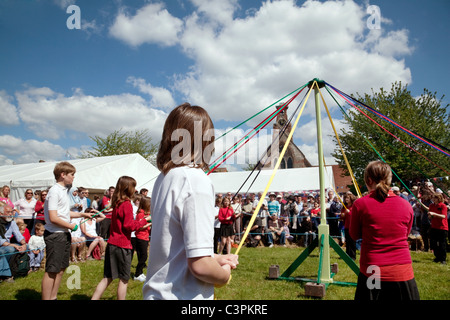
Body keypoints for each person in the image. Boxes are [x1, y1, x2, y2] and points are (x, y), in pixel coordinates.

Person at [142, 103, 238, 300]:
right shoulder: (195, 180)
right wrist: (224, 274)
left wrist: (216, 258)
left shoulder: (165, 177)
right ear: (206, 139)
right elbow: (200, 266)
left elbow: (176, 247)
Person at [350, 161, 420, 300]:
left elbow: (354, 234)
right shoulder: (406, 205)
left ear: (368, 180)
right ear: (389, 179)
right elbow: (405, 234)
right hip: (402, 271)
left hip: (373, 270)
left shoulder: (360, 204)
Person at [92, 176, 151, 300]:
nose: (135, 190)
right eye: (133, 187)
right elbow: (129, 226)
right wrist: (144, 220)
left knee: (107, 277)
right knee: (124, 279)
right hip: (122, 246)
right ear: (128, 188)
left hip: (112, 244)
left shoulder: (117, 203)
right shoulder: (126, 204)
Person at [41, 161, 93, 300]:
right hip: (55, 235)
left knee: (61, 269)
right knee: (52, 270)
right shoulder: (54, 191)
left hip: (63, 234)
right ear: (63, 175)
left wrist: (83, 214)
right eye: (72, 174)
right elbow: (53, 217)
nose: (74, 177)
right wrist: (72, 226)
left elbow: (64, 213)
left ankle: (53, 297)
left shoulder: (64, 191)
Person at [0, 204, 27, 283]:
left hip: (7, 245)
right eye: (8, 212)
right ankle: (6, 276)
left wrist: (24, 244)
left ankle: (20, 270)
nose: (10, 214)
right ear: (1, 214)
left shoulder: (12, 222)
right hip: (4, 245)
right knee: (7, 250)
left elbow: (18, 235)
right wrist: (13, 245)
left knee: (27, 247)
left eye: (11, 212)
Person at [133, 196, 152, 282]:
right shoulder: (140, 214)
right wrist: (150, 224)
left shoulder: (146, 213)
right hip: (140, 237)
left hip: (145, 236)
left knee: (142, 256)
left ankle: (140, 273)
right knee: (143, 256)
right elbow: (140, 227)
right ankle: (137, 274)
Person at [427, 193, 448, 264]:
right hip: (434, 226)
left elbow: (443, 216)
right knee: (433, 243)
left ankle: (443, 259)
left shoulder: (443, 206)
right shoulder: (431, 206)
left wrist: (434, 214)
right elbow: (430, 216)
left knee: (442, 244)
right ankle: (437, 257)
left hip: (442, 227)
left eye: (435, 198)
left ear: (439, 198)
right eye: (433, 198)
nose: (433, 199)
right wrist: (430, 216)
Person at [341, 193, 357, 260]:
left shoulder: (354, 206)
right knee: (347, 241)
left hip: (352, 226)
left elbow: (355, 216)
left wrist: (349, 212)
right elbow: (342, 216)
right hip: (346, 226)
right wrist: (342, 215)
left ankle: (353, 256)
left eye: (347, 198)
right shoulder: (344, 207)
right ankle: (347, 255)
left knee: (352, 241)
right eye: (345, 198)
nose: (346, 199)